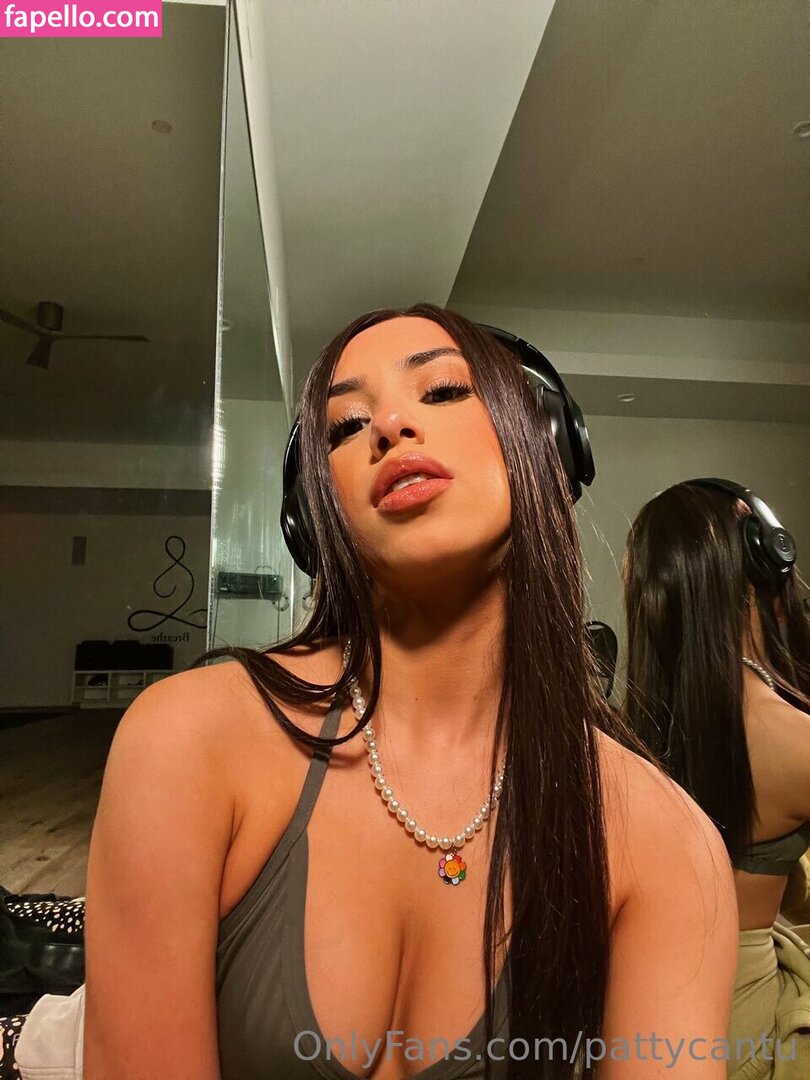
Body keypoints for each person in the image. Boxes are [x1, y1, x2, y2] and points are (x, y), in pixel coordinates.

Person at [77, 305, 736, 1080]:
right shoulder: (186, 741)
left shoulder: (665, 842)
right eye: (346, 426)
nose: (389, 425)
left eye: (444, 391)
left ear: (545, 448)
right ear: (314, 514)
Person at [622, 479, 810, 1078]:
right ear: (764, 552)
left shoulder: (630, 735)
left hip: (649, 999)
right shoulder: (793, 740)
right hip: (743, 1013)